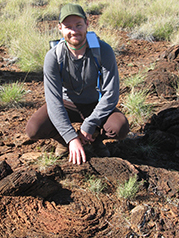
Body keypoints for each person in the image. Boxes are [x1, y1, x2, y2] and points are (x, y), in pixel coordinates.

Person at [26, 3, 129, 165]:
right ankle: (63, 141)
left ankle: (93, 138)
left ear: (87, 24)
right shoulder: (53, 56)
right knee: (34, 129)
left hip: (95, 104)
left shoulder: (103, 50)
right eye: (68, 26)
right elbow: (54, 101)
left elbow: (111, 94)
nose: (74, 31)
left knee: (119, 127)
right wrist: (70, 137)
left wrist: (90, 124)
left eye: (78, 25)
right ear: (60, 28)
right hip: (67, 105)